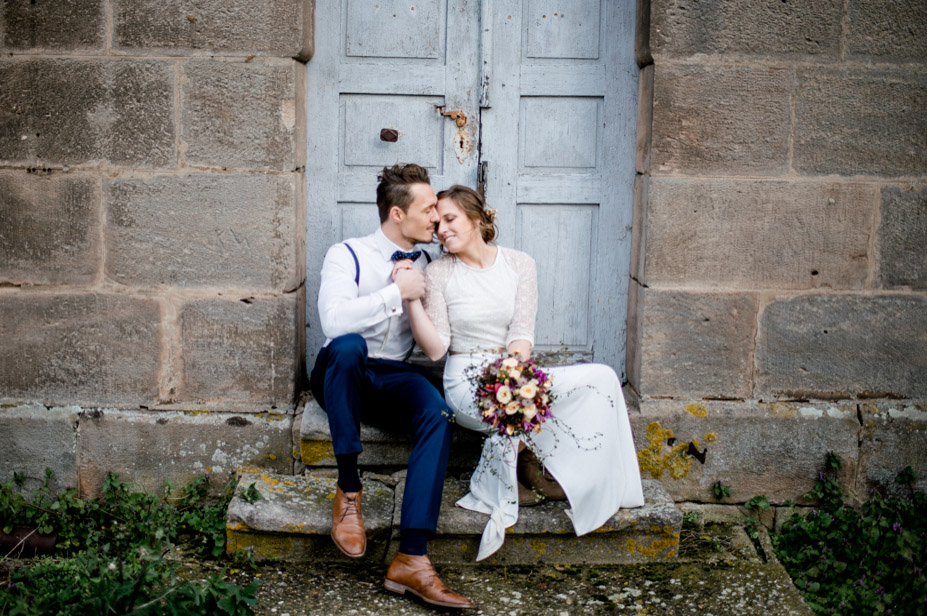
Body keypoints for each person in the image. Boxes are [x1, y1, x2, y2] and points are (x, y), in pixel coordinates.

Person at [404, 185, 645, 561]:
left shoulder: (519, 263)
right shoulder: (438, 273)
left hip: (512, 367)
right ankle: (522, 471)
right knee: (508, 408)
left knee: (600, 378)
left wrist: (515, 376)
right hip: (465, 376)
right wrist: (411, 302)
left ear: (477, 219)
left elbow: (521, 333)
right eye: (437, 225)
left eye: (450, 219)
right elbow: (437, 348)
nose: (442, 230)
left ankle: (591, 479)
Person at [310, 164, 473, 609]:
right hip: (342, 370)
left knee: (437, 413)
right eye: (428, 211)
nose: (436, 220)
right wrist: (394, 293)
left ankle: (412, 558)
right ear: (398, 214)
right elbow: (334, 321)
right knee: (345, 346)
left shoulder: (432, 265)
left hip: (393, 374)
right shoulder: (347, 253)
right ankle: (348, 489)